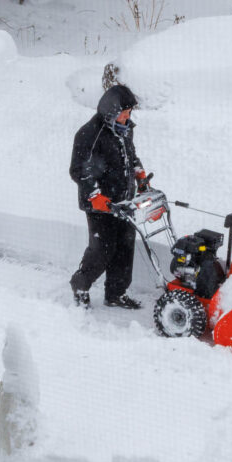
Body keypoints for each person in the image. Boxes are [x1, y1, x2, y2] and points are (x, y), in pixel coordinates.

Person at [69, 84, 152, 309]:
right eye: (124, 112)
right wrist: (95, 196)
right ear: (110, 111)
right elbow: (79, 170)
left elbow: (131, 156)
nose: (127, 116)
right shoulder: (89, 133)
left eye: (130, 112)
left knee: (125, 248)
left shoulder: (125, 128)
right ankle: (81, 284)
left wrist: (140, 174)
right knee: (102, 250)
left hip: (124, 201)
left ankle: (116, 294)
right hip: (100, 204)